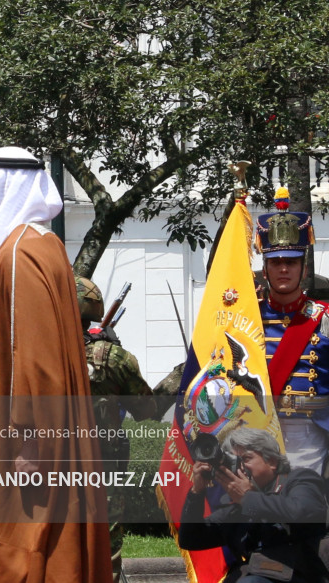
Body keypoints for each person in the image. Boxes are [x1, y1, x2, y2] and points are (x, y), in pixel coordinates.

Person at [0, 147, 112, 582]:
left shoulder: (20, 254)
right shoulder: (40, 246)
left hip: (21, 455)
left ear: (5, 186)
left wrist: (29, 444)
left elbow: (36, 363)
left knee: (19, 558)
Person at [76, 276, 156, 583]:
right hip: (103, 469)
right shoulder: (113, 358)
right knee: (107, 552)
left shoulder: (43, 353)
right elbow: (146, 409)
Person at [179, 427, 328, 582]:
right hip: (251, 574)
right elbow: (191, 539)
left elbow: (302, 512)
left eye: (245, 459)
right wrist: (197, 491)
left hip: (299, 574)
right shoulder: (235, 505)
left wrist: (247, 499)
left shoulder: (299, 479)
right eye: (234, 462)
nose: (240, 467)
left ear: (272, 461)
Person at [255, 191, 329, 474]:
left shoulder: (323, 318)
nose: (283, 268)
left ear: (303, 267)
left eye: (291, 262)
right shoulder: (249, 318)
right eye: (275, 262)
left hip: (309, 432)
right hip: (257, 431)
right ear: (265, 269)